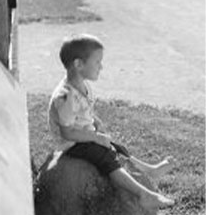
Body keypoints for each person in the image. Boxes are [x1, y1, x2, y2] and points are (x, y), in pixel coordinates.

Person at [48, 34, 175, 211]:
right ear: (79, 64)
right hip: (71, 144)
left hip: (83, 136)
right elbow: (67, 132)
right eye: (97, 62)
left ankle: (149, 170)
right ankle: (143, 195)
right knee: (106, 157)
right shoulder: (65, 97)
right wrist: (95, 137)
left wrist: (95, 124)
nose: (101, 66)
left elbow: (83, 114)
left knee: (118, 147)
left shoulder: (82, 86)